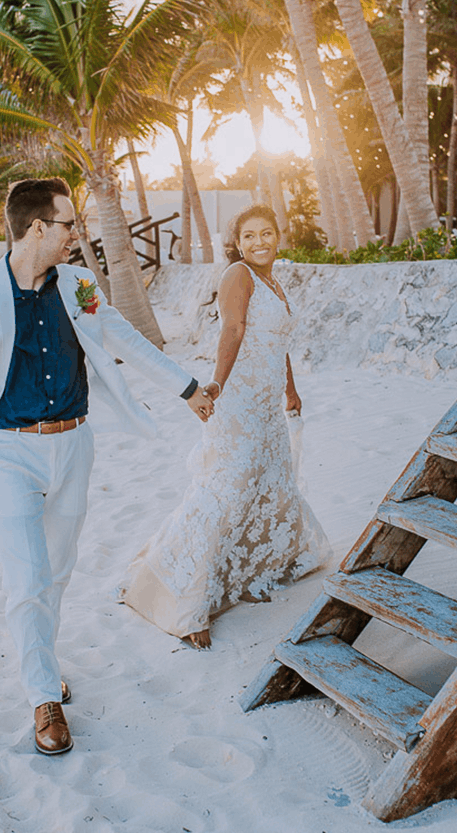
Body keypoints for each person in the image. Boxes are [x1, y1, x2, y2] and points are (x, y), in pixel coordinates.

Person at [0, 177, 215, 756]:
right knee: (25, 578)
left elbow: (124, 337)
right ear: (37, 228)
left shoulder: (77, 286)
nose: (79, 232)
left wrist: (188, 387)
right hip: (7, 453)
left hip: (74, 446)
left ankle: (40, 663)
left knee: (56, 572)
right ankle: (43, 695)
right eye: (69, 223)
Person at [118, 204, 331, 650]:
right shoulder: (238, 274)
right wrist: (216, 382)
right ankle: (185, 602)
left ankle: (270, 562)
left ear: (279, 236)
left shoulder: (272, 280)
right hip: (238, 401)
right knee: (226, 492)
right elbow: (232, 331)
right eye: (249, 235)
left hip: (267, 406)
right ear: (237, 241)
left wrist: (289, 389)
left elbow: (276, 342)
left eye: (266, 233)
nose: (259, 242)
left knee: (272, 484)